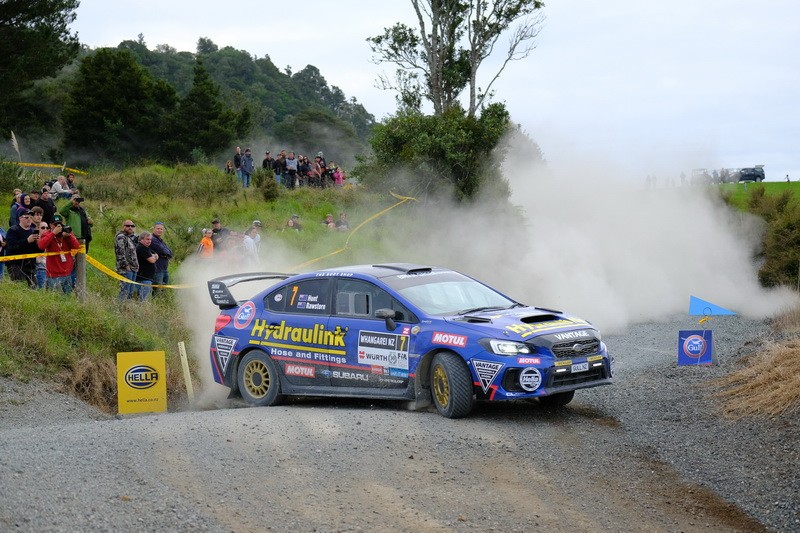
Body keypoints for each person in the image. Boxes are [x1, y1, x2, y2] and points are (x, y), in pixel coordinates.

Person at [37, 214, 81, 294]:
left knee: (67, 298)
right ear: (51, 225)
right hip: (54, 275)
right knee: (56, 298)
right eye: (55, 225)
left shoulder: (66, 234)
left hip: (67, 274)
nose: (58, 227)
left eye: (59, 224)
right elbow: (41, 245)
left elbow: (76, 246)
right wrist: (53, 233)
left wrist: (69, 236)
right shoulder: (47, 234)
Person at [4, 209, 39, 287]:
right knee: (21, 287)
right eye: (26, 217)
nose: (29, 219)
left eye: (30, 217)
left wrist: (38, 243)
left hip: (30, 265)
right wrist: (27, 240)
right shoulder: (13, 230)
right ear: (20, 218)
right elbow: (11, 246)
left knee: (34, 288)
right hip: (16, 264)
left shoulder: (33, 231)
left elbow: (39, 251)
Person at [115, 219, 139, 301]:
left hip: (133, 269)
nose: (130, 227)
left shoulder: (131, 238)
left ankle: (126, 310)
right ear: (123, 227)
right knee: (124, 291)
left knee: (130, 293)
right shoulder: (121, 237)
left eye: (132, 226)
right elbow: (120, 253)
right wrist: (126, 266)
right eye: (127, 226)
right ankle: (119, 309)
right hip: (126, 269)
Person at [149, 222, 173, 296]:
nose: (159, 230)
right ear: (153, 229)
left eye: (161, 229)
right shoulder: (152, 239)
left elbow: (170, 252)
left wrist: (167, 253)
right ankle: (155, 305)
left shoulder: (160, 240)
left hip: (164, 269)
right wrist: (167, 254)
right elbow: (162, 250)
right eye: (158, 228)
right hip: (157, 269)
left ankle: (161, 304)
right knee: (157, 291)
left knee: (164, 289)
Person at [134, 231, 158, 302]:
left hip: (147, 277)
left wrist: (154, 256)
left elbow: (156, 254)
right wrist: (154, 257)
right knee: (142, 299)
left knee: (142, 297)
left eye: (150, 239)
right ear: (141, 239)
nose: (149, 241)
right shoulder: (141, 248)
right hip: (143, 277)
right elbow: (152, 260)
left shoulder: (146, 248)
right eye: (147, 239)